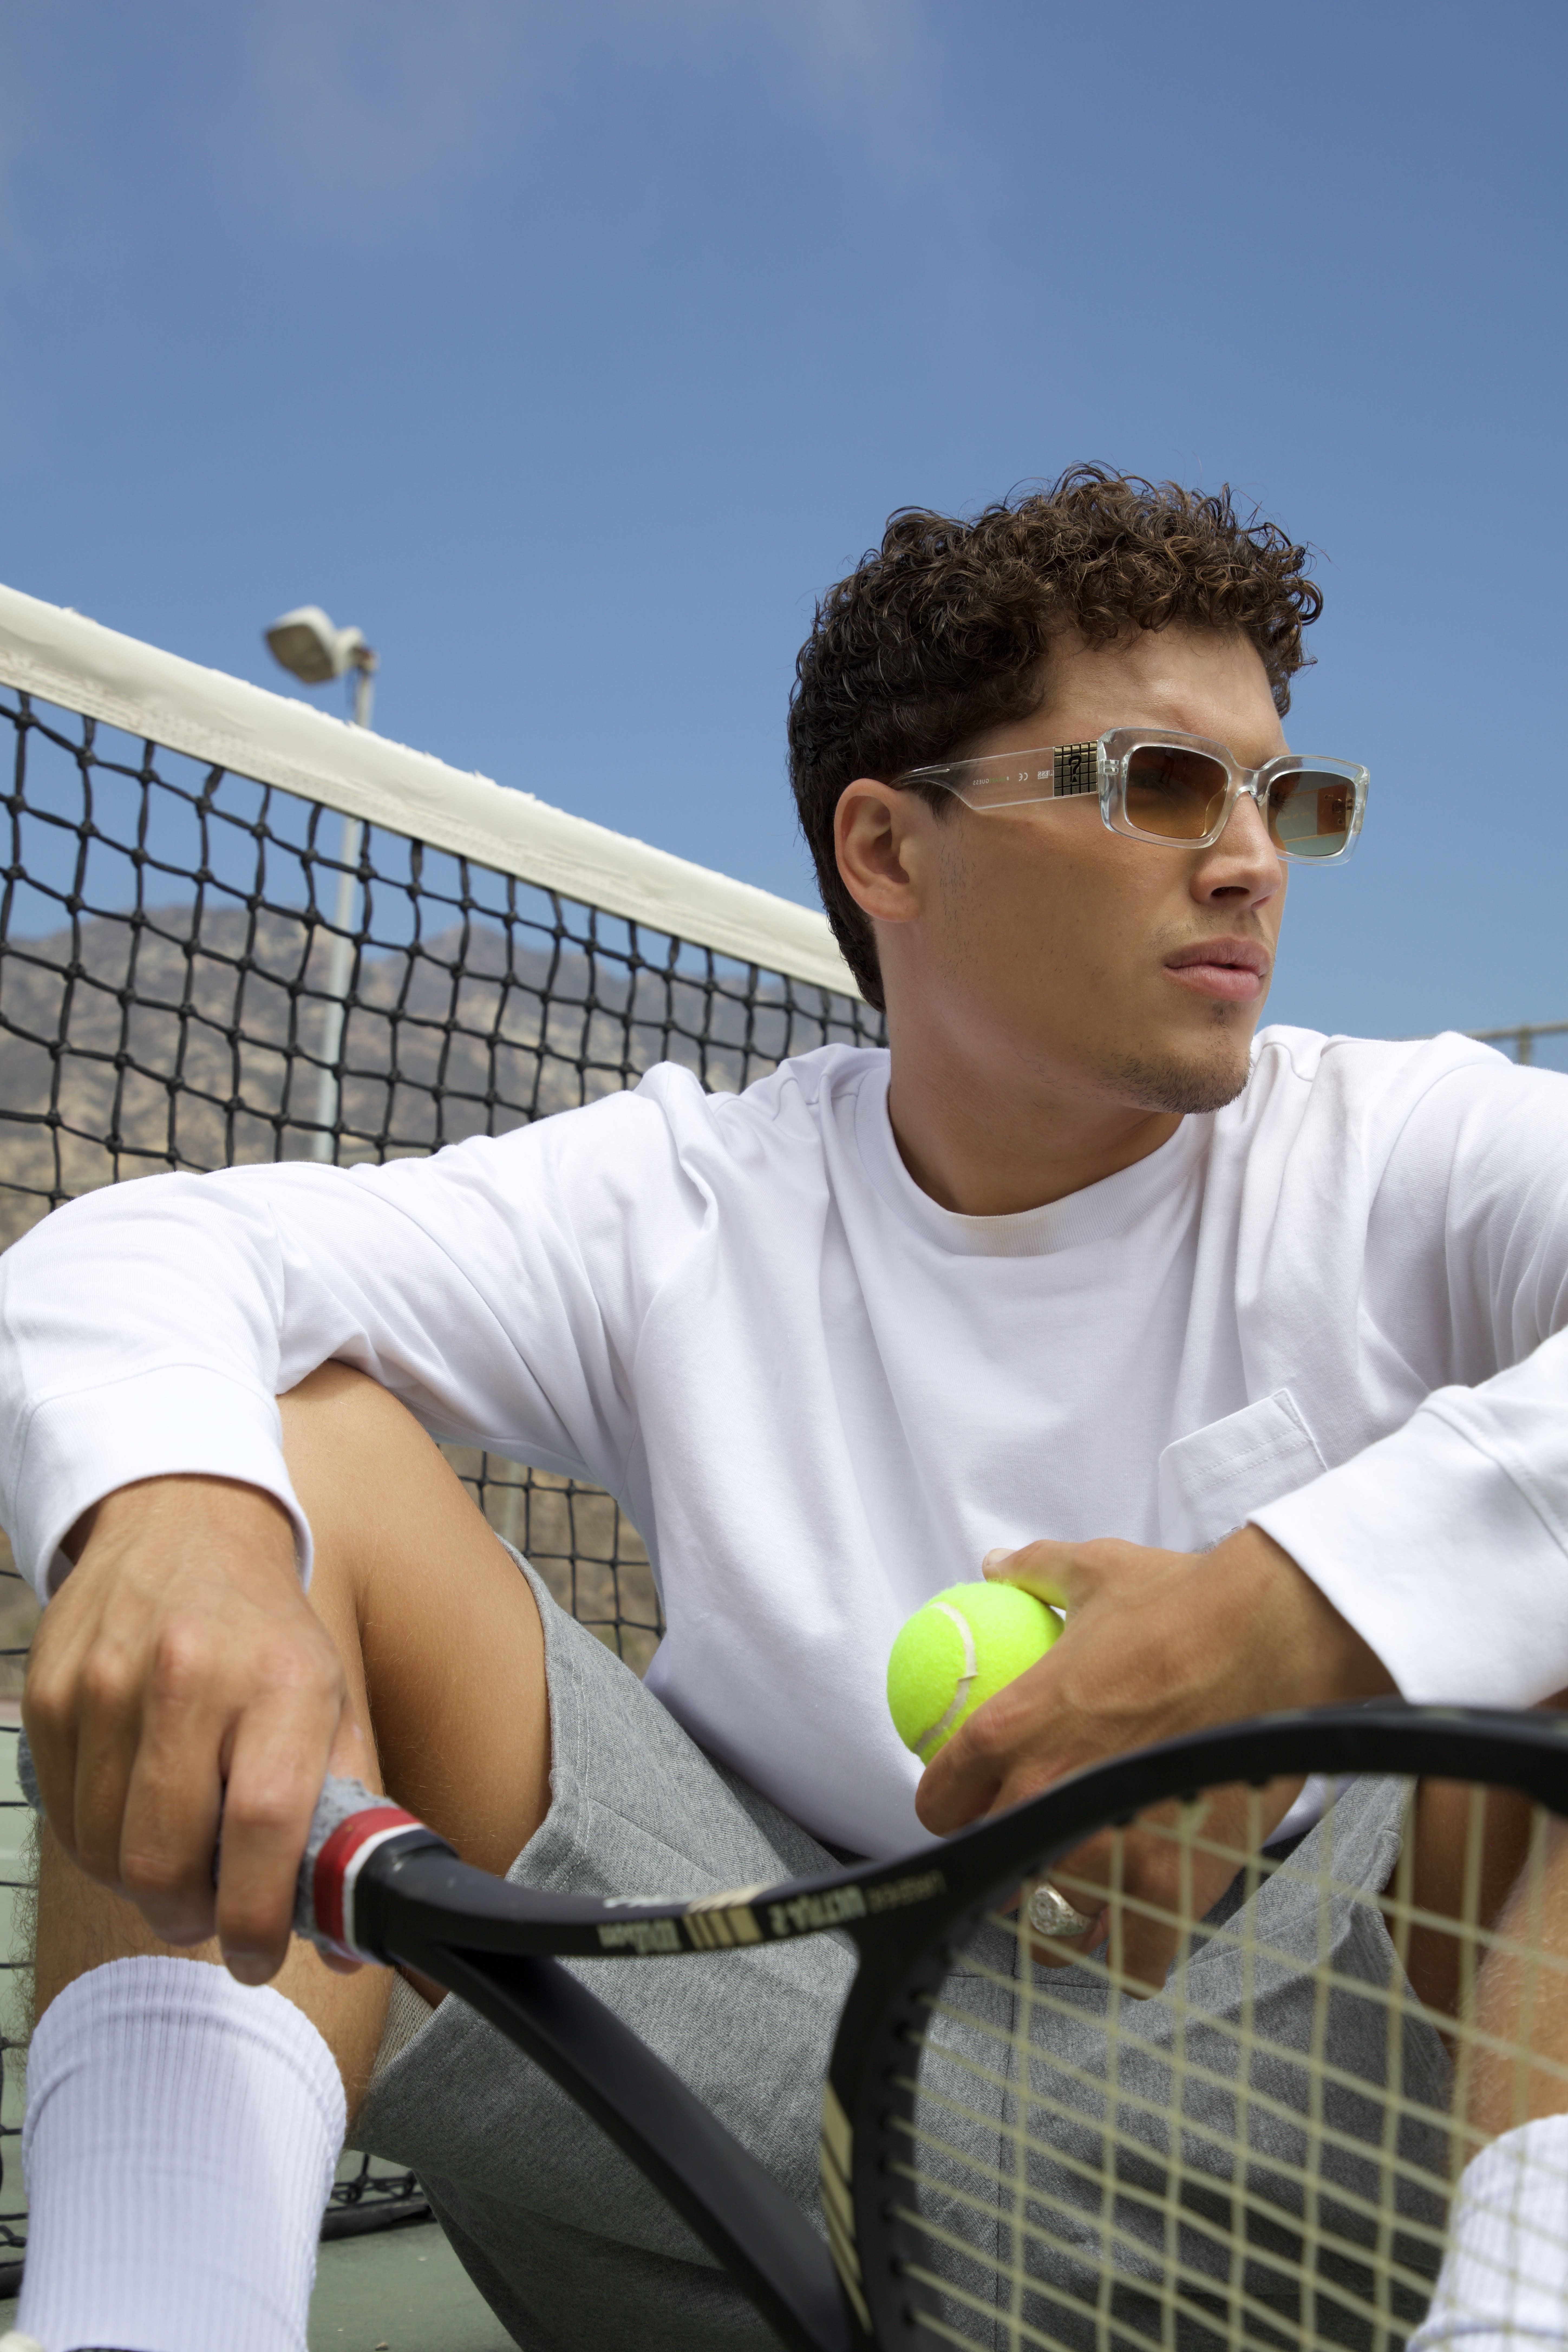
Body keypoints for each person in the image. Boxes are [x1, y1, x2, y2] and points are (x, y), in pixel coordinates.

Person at [6, 464, 1568, 2352]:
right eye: (1159, 786)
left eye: (1286, 800)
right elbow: (148, 1251)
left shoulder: (1409, 1145)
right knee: (280, 1453)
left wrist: (1287, 1608)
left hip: (1331, 2133)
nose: (1249, 859)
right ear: (890, 853)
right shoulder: (697, 1194)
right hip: (782, 2090)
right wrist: (185, 1515)